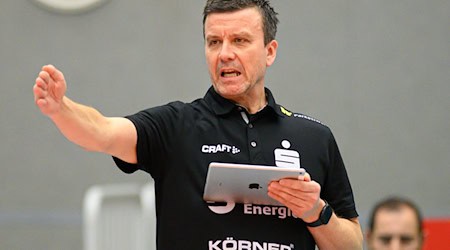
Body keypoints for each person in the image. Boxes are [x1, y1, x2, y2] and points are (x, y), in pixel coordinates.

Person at [33, 0, 363, 249]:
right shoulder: (175, 127)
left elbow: (352, 244)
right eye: (214, 42)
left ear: (270, 51)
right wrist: (62, 108)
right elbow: (102, 133)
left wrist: (314, 211)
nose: (224, 54)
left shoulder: (314, 137)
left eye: (240, 41)